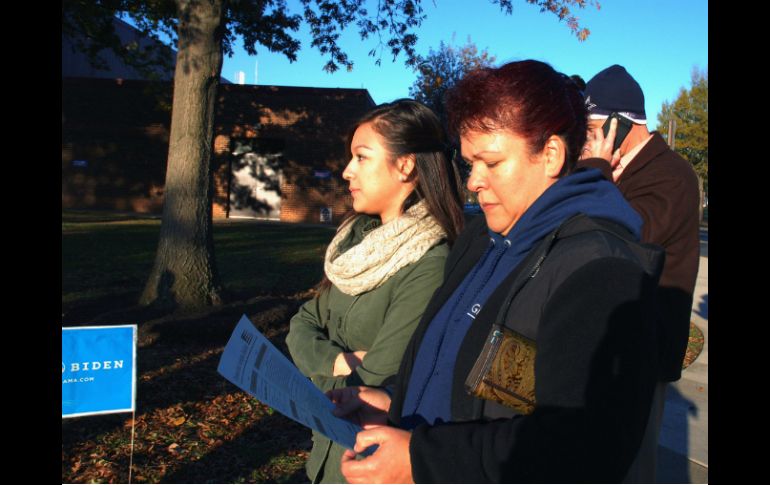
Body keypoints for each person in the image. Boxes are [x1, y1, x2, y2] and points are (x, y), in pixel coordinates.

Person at [327, 60, 666, 483]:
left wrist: (422, 459)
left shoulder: (602, 270)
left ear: (551, 155)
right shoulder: (479, 240)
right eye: (470, 163)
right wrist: (394, 399)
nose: (473, 181)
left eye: (490, 162)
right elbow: (451, 367)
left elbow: (587, 444)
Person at [285, 99, 465, 483]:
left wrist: (316, 370)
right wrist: (340, 361)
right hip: (322, 458)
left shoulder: (428, 266)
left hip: (366, 464)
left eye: (362, 157)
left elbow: (372, 385)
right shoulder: (356, 243)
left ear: (405, 166)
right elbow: (301, 323)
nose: (347, 171)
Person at [578, 64, 701, 482]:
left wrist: (595, 170)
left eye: (590, 129)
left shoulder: (671, 174)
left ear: (619, 123)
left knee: (630, 465)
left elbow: (619, 236)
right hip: (607, 341)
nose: (584, 140)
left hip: (641, 351)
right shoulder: (617, 167)